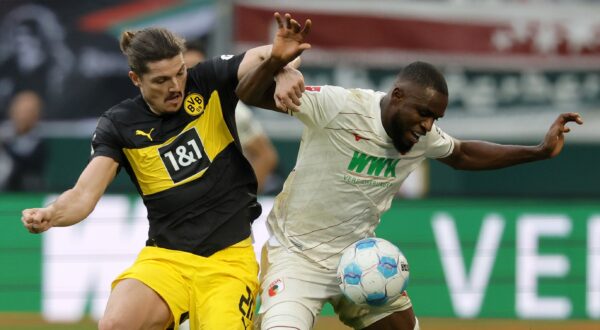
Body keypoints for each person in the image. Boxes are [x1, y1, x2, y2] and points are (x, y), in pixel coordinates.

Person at [20, 12, 311, 330]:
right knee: (115, 325)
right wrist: (52, 214)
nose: (175, 87)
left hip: (228, 262)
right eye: (161, 80)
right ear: (136, 80)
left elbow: (268, 55)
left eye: (179, 73)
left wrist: (281, 67)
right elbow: (83, 194)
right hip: (166, 259)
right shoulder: (120, 125)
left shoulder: (208, 80)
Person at [243, 61, 583, 329]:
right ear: (397, 95)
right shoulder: (339, 106)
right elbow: (251, 93)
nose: (428, 126)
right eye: (424, 113)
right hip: (297, 257)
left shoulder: (424, 137)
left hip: (362, 260)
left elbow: (463, 154)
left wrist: (537, 152)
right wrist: (277, 62)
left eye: (436, 118)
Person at [184, 39, 279, 194]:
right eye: (185, 70)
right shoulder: (167, 108)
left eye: (196, 69)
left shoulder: (232, 109)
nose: (190, 77)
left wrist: (242, 200)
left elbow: (266, 156)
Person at [0, 90, 46, 191]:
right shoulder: (5, 132)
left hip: (21, 194)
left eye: (28, 112)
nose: (22, 116)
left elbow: (25, 166)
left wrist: (6, 146)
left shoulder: (39, 142)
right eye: (20, 111)